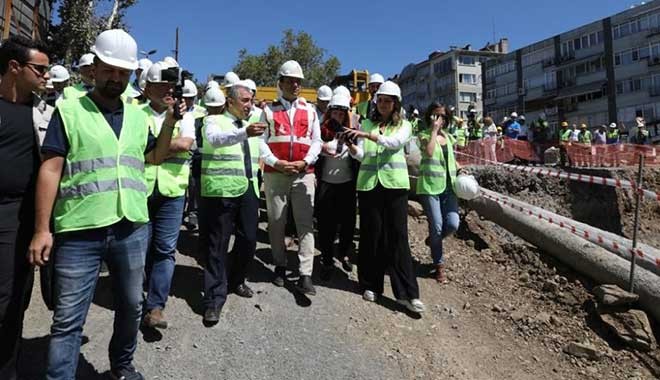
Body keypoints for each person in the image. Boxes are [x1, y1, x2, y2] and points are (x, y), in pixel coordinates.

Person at [29, 29, 180, 380]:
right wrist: (41, 229)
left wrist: (170, 121)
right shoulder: (69, 110)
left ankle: (121, 367)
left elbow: (154, 157)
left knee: (131, 306)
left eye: (123, 72)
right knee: (68, 319)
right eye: (110, 69)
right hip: (80, 230)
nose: (116, 78)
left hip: (131, 227)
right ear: (94, 68)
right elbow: (51, 170)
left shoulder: (139, 116)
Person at [344, 81, 425, 314]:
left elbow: (394, 144)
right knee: (372, 236)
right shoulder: (368, 123)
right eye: (380, 100)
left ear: (396, 104)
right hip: (369, 186)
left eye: (387, 101)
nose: (382, 105)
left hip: (394, 187)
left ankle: (408, 293)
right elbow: (362, 156)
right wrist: (352, 147)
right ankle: (371, 285)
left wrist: (366, 135)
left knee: (398, 238)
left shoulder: (405, 125)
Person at [0, 35, 49, 380]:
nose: (46, 76)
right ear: (15, 68)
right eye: (40, 69)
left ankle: (7, 367)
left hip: (22, 219)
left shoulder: (45, 114)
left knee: (14, 297)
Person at [199, 81, 265, 324]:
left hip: (248, 187)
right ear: (230, 102)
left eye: (251, 101)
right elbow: (216, 140)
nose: (250, 105)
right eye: (246, 101)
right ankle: (214, 299)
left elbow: (261, 150)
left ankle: (236, 280)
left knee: (249, 239)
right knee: (218, 245)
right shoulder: (214, 121)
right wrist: (244, 132)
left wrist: (279, 164)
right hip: (222, 191)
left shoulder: (250, 126)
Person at [140, 61, 196, 330]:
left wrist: (153, 148)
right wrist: (155, 148)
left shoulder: (186, 117)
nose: (168, 91)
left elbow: (186, 144)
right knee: (141, 249)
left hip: (172, 192)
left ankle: (155, 306)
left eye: (171, 86)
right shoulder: (135, 113)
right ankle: (137, 296)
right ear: (147, 87)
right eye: (162, 85)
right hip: (141, 190)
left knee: (164, 250)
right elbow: (133, 148)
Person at [260, 60, 322, 295]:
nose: (295, 85)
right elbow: (260, 143)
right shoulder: (268, 111)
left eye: (298, 81)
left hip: (303, 174)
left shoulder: (310, 110)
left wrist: (306, 162)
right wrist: (277, 163)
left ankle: (305, 274)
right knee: (277, 222)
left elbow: (317, 142)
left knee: (305, 224)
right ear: (281, 82)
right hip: (276, 174)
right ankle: (280, 264)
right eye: (290, 80)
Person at [417, 103, 465, 284]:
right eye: (435, 116)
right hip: (430, 187)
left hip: (449, 188)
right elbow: (429, 153)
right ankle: (439, 265)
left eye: (443, 117)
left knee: (452, 224)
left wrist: (461, 170)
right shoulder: (423, 136)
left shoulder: (450, 138)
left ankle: (433, 241)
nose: (439, 120)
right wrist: (434, 131)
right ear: (429, 117)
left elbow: (450, 160)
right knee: (436, 225)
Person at [316, 91, 358, 281]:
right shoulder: (320, 131)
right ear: (329, 113)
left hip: (347, 185)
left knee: (348, 223)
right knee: (326, 225)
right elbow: (310, 149)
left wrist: (350, 143)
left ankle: (344, 253)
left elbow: (360, 155)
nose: (338, 117)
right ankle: (326, 259)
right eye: (335, 113)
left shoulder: (353, 134)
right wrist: (320, 148)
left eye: (342, 114)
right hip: (326, 184)